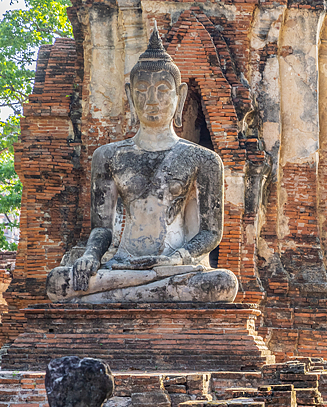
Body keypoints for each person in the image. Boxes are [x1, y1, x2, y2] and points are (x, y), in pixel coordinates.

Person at [46, 25, 238, 303]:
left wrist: (176, 259)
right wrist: (90, 256)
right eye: (142, 90)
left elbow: (211, 232)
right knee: (58, 283)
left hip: (173, 267)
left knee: (222, 284)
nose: (152, 100)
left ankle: (127, 290)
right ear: (130, 95)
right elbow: (102, 228)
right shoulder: (108, 156)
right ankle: (142, 286)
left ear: (180, 96)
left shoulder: (204, 160)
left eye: (162, 90)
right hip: (120, 263)